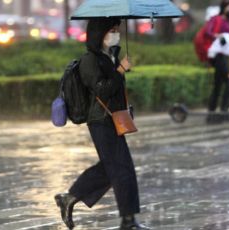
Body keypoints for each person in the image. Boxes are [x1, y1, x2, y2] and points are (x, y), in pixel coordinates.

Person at [54, 18, 149, 230]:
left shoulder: (109, 57)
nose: (116, 34)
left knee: (114, 168)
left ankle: (70, 197)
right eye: (111, 30)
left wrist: (119, 68)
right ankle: (128, 222)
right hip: (100, 121)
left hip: (114, 119)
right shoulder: (90, 60)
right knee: (121, 169)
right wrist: (121, 71)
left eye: (117, 30)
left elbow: (114, 88)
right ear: (99, 33)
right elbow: (103, 90)